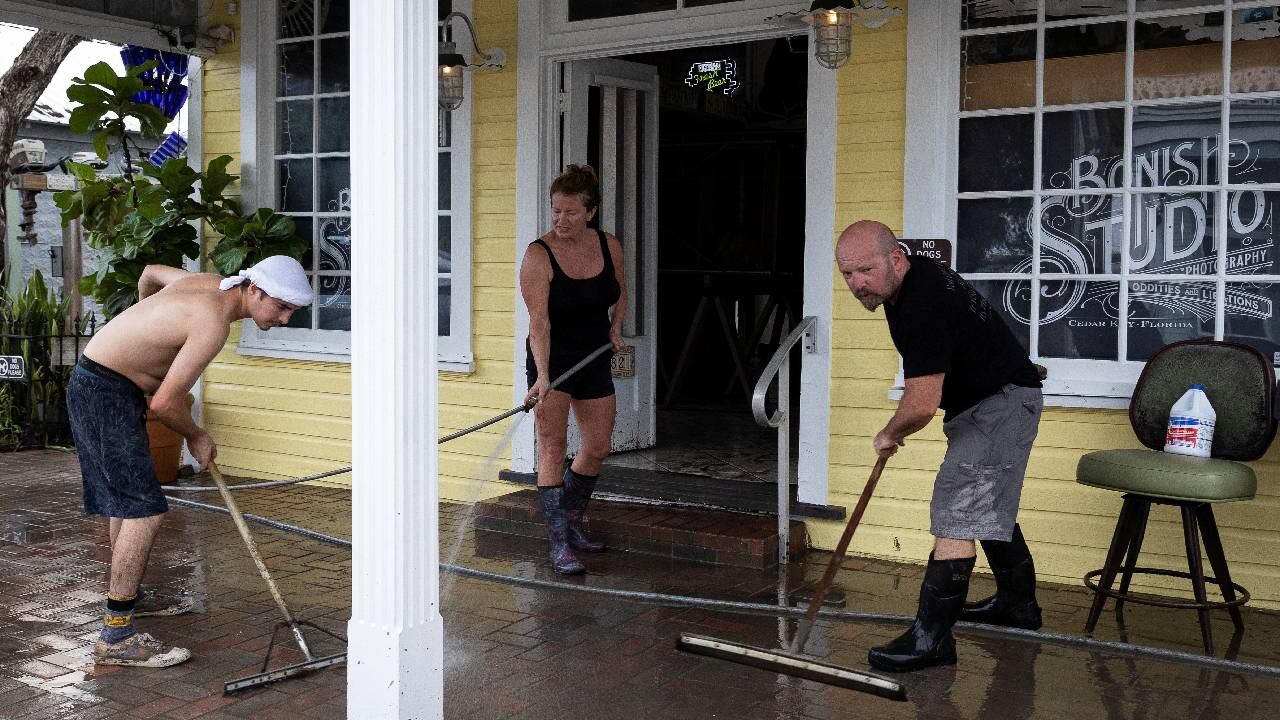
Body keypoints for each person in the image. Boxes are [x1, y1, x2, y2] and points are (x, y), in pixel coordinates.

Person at [66, 256, 312, 667]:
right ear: (253, 290)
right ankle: (115, 636)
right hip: (103, 392)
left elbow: (149, 273)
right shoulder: (212, 322)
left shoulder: (209, 283)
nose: (286, 318)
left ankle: (132, 598)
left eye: (292, 310)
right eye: (282, 306)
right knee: (143, 510)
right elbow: (165, 404)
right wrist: (196, 435)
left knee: (128, 503)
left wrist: (142, 323)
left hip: (105, 385)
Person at [834, 220, 1044, 673]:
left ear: (895, 259)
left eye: (864, 271)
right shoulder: (913, 279)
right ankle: (1017, 605)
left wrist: (890, 434)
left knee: (958, 512)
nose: (856, 284)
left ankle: (932, 640)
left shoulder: (920, 305)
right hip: (994, 398)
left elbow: (922, 404)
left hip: (999, 404)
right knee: (984, 503)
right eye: (847, 275)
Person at [520, 164, 627, 575]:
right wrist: (542, 377)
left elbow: (621, 292)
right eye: (555, 210)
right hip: (553, 360)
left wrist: (616, 327)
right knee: (552, 448)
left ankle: (572, 519)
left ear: (590, 212)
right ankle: (560, 544)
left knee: (598, 446)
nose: (560, 219)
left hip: (594, 354)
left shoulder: (608, 245)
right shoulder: (538, 255)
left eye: (569, 212)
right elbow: (539, 323)